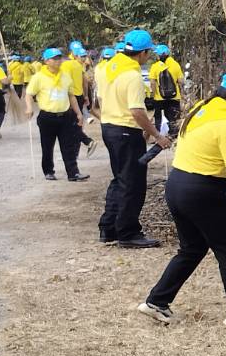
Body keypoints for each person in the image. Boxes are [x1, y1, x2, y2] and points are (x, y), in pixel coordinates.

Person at [137, 71, 226, 327]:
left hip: (178, 186)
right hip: (203, 191)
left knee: (192, 248)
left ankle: (156, 301)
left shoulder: (203, 108)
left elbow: (206, 144)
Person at [99, 29, 172, 249]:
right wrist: (157, 135)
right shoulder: (132, 76)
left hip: (109, 127)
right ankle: (128, 232)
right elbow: (137, 112)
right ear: (143, 53)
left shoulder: (106, 68)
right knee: (133, 184)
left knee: (120, 179)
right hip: (125, 131)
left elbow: (101, 99)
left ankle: (108, 227)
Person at [24, 48, 89, 182]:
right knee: (47, 146)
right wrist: (29, 107)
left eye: (59, 58)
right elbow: (29, 94)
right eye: (55, 58)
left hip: (65, 115)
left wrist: (78, 113)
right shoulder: (39, 77)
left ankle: (73, 173)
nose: (58, 61)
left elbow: (71, 96)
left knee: (68, 145)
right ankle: (48, 171)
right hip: (47, 117)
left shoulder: (65, 76)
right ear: (47, 61)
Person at [148, 44, 184, 137]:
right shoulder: (176, 65)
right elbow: (180, 81)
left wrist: (154, 93)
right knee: (173, 116)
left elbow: (152, 82)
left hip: (159, 97)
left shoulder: (155, 66)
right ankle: (174, 134)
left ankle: (159, 135)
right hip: (174, 96)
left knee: (158, 117)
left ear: (159, 55)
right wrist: (180, 91)